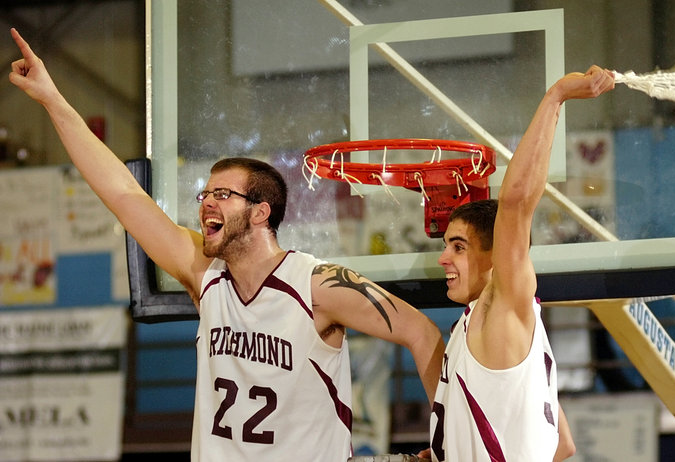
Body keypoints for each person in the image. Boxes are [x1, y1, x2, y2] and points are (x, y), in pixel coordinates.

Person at [8, 28, 444, 462]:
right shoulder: (206, 276)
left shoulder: (318, 286)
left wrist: (448, 441)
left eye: (222, 195)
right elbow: (123, 194)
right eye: (206, 194)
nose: (207, 204)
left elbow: (421, 333)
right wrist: (52, 99)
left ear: (260, 212)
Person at [428, 66, 615, 462]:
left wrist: (556, 97)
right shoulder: (479, 323)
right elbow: (563, 446)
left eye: (458, 247)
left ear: (496, 257)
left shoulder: (504, 308)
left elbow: (515, 204)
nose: (443, 258)